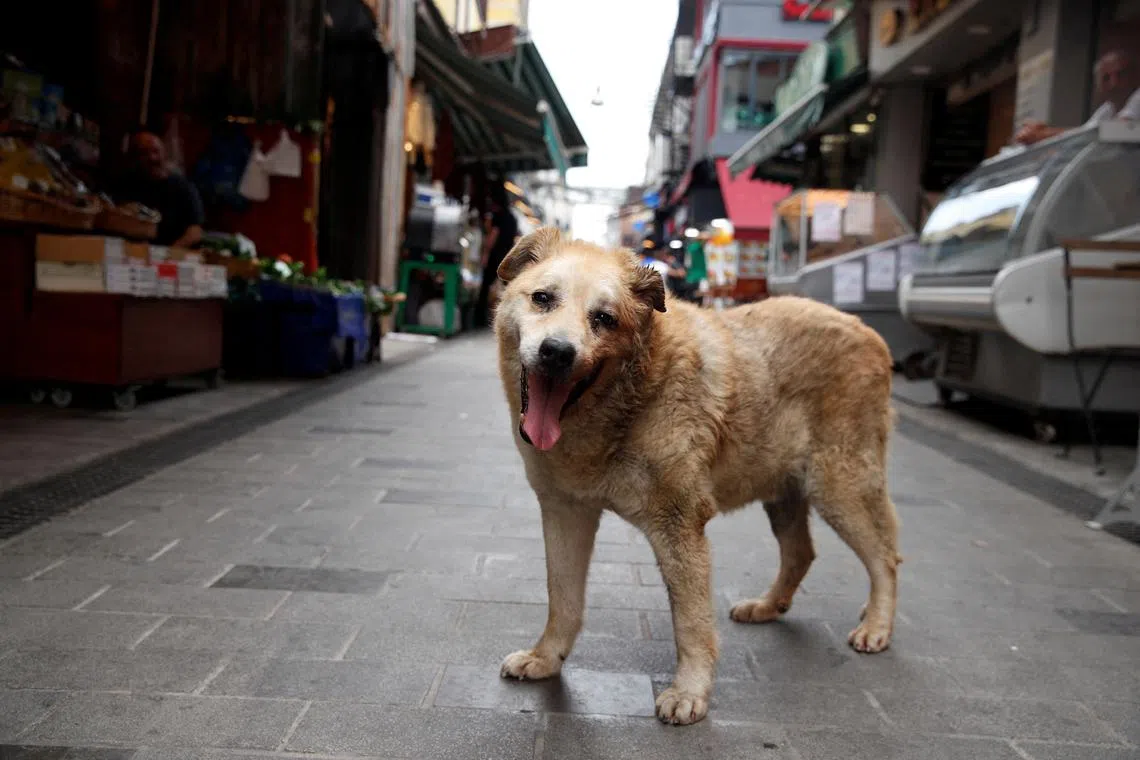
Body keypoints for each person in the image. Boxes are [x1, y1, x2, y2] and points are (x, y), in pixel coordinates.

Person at [1015, 50, 1140, 146]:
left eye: (1121, 74)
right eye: (1106, 78)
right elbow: (1085, 134)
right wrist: (1044, 133)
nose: (1114, 83)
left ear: (1135, 76)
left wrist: (1045, 135)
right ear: (1098, 86)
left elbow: (1123, 131)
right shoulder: (1107, 109)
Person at [117, 130, 205, 248]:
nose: (152, 158)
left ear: (164, 153)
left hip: (171, 255)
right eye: (144, 153)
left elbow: (195, 232)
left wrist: (169, 253)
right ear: (135, 157)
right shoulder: (128, 184)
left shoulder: (183, 188)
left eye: (155, 151)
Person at [475, 183, 519, 328]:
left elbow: (493, 236)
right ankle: (511, 319)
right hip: (507, 256)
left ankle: (479, 319)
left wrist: (485, 254)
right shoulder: (512, 217)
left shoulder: (498, 215)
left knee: (485, 287)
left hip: (495, 256)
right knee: (510, 288)